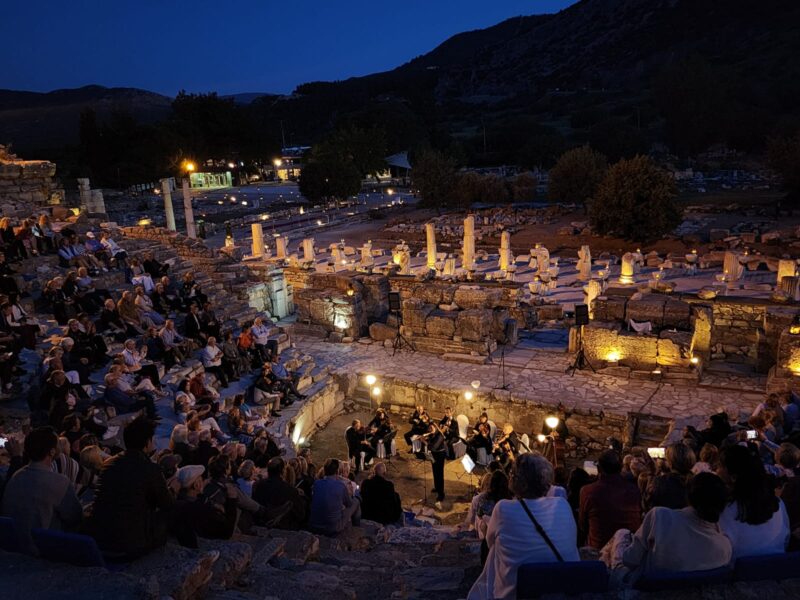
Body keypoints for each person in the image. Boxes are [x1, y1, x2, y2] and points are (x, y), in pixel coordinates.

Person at [468, 454, 580, 600]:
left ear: (521, 483)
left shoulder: (503, 508)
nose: (510, 476)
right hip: (560, 588)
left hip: (518, 592)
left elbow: (489, 542)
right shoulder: (562, 504)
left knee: (495, 549)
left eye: (512, 473)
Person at [617, 472, 732, 583]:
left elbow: (629, 560)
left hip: (646, 588)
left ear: (689, 496)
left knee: (620, 535)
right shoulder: (725, 548)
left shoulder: (659, 516)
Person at [85, 417, 174, 560]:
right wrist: (173, 489)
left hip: (100, 540)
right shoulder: (150, 469)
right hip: (129, 546)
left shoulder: (108, 464)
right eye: (152, 439)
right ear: (147, 442)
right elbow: (167, 504)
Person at [1, 427, 83, 554]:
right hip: (41, 550)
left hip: (15, 546)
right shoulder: (60, 482)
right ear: (51, 452)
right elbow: (75, 517)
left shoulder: (17, 476)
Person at [717, 444, 790, 558]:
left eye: (719, 466)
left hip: (739, 572)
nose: (717, 470)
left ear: (733, 476)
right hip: (776, 570)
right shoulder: (777, 504)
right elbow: (786, 539)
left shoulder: (724, 510)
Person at [579, 450, 642, 550]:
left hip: (599, 550)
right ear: (621, 468)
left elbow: (582, 525)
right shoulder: (634, 490)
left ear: (599, 469)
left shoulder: (588, 492)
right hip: (629, 548)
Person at [169, 464, 238, 548]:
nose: (204, 481)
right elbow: (227, 532)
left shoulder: (176, 502)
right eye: (201, 479)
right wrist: (232, 499)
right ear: (196, 485)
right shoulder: (201, 508)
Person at [251, 457, 308, 530]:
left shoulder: (258, 485)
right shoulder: (290, 490)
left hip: (261, 523)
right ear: (283, 471)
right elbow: (301, 515)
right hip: (282, 527)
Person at [309, 458, 360, 536]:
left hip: (315, 525)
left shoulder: (317, 483)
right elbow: (349, 504)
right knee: (356, 501)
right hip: (332, 527)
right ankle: (357, 528)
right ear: (337, 471)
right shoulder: (340, 486)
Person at [423, 422, 448, 510]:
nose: (431, 429)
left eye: (432, 428)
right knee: (434, 472)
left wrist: (425, 442)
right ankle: (437, 488)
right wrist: (426, 437)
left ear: (436, 427)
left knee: (439, 474)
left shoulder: (440, 435)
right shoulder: (432, 434)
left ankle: (441, 494)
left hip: (440, 456)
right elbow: (431, 443)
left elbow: (433, 447)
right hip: (434, 456)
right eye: (430, 428)